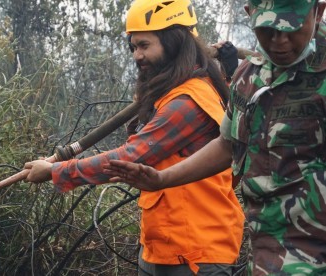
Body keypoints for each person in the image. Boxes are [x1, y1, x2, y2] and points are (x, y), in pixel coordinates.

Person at [104, 0, 326, 275]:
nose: (279, 40)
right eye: (267, 28)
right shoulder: (250, 77)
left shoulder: (191, 99)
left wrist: (58, 171)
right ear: (249, 14)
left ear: (318, 12)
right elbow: (228, 144)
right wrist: (162, 179)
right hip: (268, 254)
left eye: (291, 27)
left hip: (302, 251)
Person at [24, 0, 245, 275]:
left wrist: (55, 171)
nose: (136, 56)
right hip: (163, 248)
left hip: (195, 254)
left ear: (173, 42)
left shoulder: (188, 102)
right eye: (133, 47)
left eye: (144, 45)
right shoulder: (175, 95)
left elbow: (130, 157)